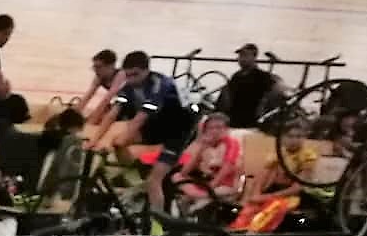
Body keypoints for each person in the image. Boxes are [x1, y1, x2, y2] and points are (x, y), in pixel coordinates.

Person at [97, 51, 195, 214]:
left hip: (179, 131)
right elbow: (112, 114)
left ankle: (157, 223)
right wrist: (94, 141)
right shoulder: (129, 85)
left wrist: (123, 137)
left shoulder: (160, 84)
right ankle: (135, 179)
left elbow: (139, 120)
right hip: (157, 125)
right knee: (118, 142)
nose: (131, 80)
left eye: (135, 75)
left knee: (154, 181)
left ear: (146, 70)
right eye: (128, 75)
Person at [172, 111, 243, 213]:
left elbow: (227, 168)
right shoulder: (204, 144)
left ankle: (195, 198)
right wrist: (201, 148)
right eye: (211, 128)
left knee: (197, 203)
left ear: (226, 129)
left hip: (224, 186)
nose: (215, 131)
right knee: (177, 176)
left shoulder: (232, 143)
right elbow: (184, 172)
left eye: (219, 127)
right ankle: (194, 197)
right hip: (204, 183)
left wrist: (209, 187)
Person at [216, 44, 285, 129]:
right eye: (240, 56)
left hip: (253, 122)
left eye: (245, 55)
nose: (241, 59)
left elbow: (276, 93)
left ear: (254, 57)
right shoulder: (236, 76)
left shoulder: (263, 76)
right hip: (234, 121)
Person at [71, 50, 120, 138]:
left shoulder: (121, 75)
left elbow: (107, 99)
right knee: (94, 117)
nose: (96, 70)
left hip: (131, 106)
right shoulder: (99, 76)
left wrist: (90, 124)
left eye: (99, 67)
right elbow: (88, 96)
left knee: (99, 117)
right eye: (94, 67)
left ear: (111, 66)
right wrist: (71, 115)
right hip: (119, 104)